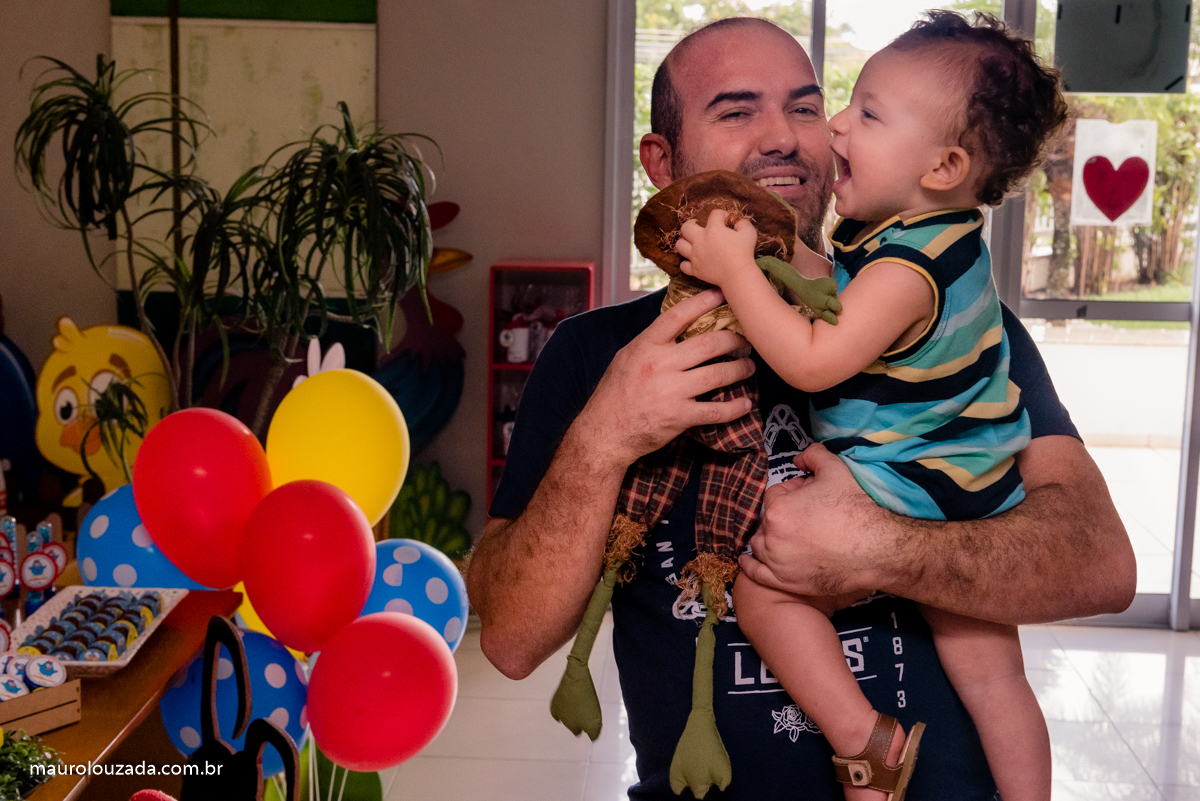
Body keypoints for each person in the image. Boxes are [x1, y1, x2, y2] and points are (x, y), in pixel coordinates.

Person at [467, 16, 1135, 801]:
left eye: (808, 108)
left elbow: (1101, 563)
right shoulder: (589, 356)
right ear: (661, 160)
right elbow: (510, 638)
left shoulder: (952, 327)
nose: (783, 136)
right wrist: (607, 433)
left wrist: (883, 547)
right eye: (737, 110)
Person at [675, 13, 1063, 800]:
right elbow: (828, 288)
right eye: (846, 106)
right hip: (970, 482)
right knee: (994, 679)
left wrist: (736, 264)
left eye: (869, 114)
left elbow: (813, 363)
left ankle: (866, 745)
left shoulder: (906, 267)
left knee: (759, 587)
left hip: (912, 477)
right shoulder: (933, 239)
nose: (839, 127)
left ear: (947, 163)